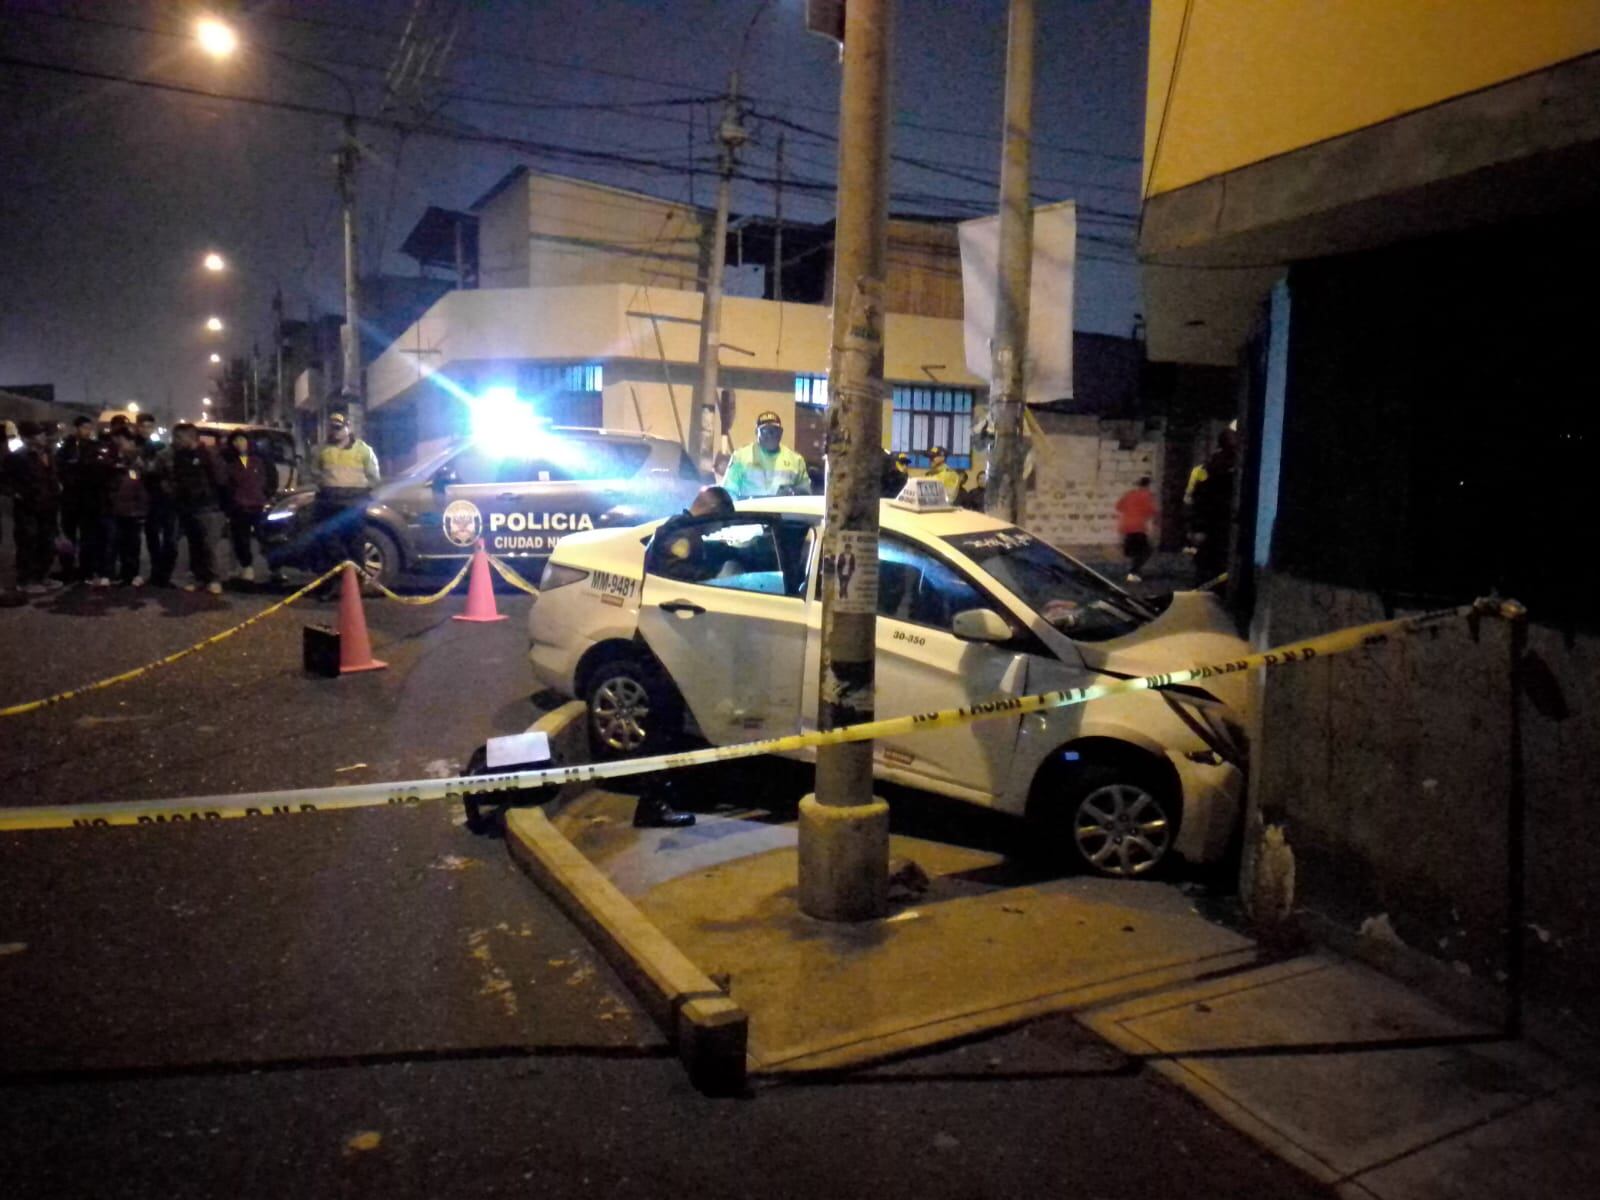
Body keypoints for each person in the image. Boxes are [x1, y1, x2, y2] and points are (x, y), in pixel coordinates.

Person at [631, 485, 738, 829]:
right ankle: (653, 805)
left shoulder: (677, 528)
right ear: (710, 511)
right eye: (718, 523)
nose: (718, 531)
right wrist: (718, 577)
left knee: (667, 723)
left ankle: (662, 797)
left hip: (662, 639)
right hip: (665, 643)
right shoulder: (683, 537)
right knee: (664, 726)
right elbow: (681, 579)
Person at [310, 412, 380, 585]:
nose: (334, 431)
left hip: (354, 503)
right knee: (329, 544)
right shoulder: (322, 450)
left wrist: (360, 494)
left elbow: (374, 477)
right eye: (332, 428)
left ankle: (355, 584)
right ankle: (334, 582)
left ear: (348, 428)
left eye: (338, 427)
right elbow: (313, 472)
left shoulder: (363, 450)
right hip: (330, 502)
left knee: (355, 543)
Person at [163, 421, 224, 595]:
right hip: (187, 505)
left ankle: (213, 578)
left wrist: (214, 499)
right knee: (194, 544)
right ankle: (199, 577)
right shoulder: (180, 455)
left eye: (179, 437)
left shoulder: (207, 454)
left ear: (191, 437)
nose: (175, 441)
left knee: (208, 545)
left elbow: (219, 479)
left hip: (207, 505)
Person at [3, 420, 64, 594]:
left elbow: (52, 475)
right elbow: (5, 481)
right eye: (39, 434)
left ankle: (42, 576)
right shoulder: (17, 457)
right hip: (28, 507)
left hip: (48, 505)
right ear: (28, 438)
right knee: (28, 542)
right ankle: (26, 580)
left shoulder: (47, 454)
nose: (43, 437)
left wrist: (57, 485)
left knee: (47, 542)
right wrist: (17, 493)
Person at [57, 414, 114, 584]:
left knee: (88, 536)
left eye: (90, 428)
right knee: (69, 536)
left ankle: (86, 569)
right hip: (70, 499)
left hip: (89, 499)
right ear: (76, 429)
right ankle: (67, 569)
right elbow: (61, 470)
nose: (87, 432)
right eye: (84, 428)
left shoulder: (95, 447)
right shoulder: (66, 448)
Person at [219, 431, 279, 583]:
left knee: (266, 538)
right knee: (241, 539)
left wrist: (267, 495)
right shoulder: (229, 462)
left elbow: (272, 478)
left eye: (241, 440)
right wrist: (230, 502)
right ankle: (247, 567)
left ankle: (275, 568)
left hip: (259, 505)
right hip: (239, 507)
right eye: (235, 441)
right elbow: (224, 484)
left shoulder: (260, 459)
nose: (238, 444)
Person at [719, 411, 810, 499]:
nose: (770, 435)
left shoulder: (796, 460)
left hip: (784, 514)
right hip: (750, 513)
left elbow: (806, 494)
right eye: (764, 431)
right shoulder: (741, 457)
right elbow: (728, 492)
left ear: (781, 432)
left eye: (774, 431)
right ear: (756, 433)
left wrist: (791, 492)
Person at [1190, 428, 1238, 585]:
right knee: (1213, 557)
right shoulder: (1216, 465)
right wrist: (1199, 525)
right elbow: (1201, 494)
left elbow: (1199, 494)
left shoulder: (1216, 464)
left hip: (1219, 517)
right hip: (1218, 517)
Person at [134, 412, 176, 588]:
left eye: (149, 426)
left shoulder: (160, 446)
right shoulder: (133, 445)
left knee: (168, 537)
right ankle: (155, 571)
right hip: (142, 497)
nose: (146, 429)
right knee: (151, 537)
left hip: (162, 496)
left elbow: (167, 470)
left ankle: (163, 574)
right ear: (137, 427)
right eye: (143, 426)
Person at [104, 427, 149, 587]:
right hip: (115, 507)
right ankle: (111, 574)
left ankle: (131, 573)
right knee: (113, 542)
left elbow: (142, 485)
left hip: (133, 508)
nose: (122, 445)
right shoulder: (111, 458)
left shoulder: (139, 461)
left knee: (132, 543)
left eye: (125, 441)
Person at [1114, 475, 1158, 583]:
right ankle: (1133, 572)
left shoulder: (1130, 494)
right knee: (1146, 551)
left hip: (1125, 526)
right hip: (1138, 527)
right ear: (1148, 485)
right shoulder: (1147, 496)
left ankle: (1132, 571)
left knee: (1133, 551)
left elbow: (1118, 506)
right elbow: (1152, 511)